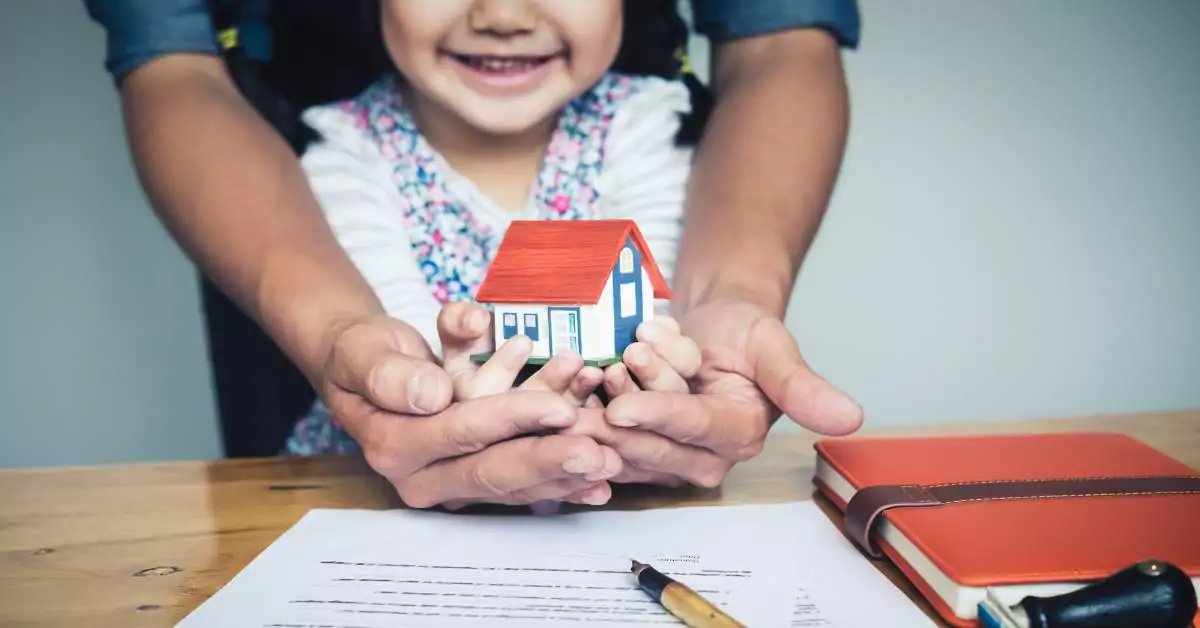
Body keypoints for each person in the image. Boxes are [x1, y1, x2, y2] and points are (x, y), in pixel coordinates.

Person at [84, 0, 866, 510]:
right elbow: (400, 341)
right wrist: (434, 383)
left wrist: (678, 352)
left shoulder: (646, 121)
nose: (501, 14)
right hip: (379, 509)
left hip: (630, 512)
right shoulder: (340, 148)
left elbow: (663, 321)